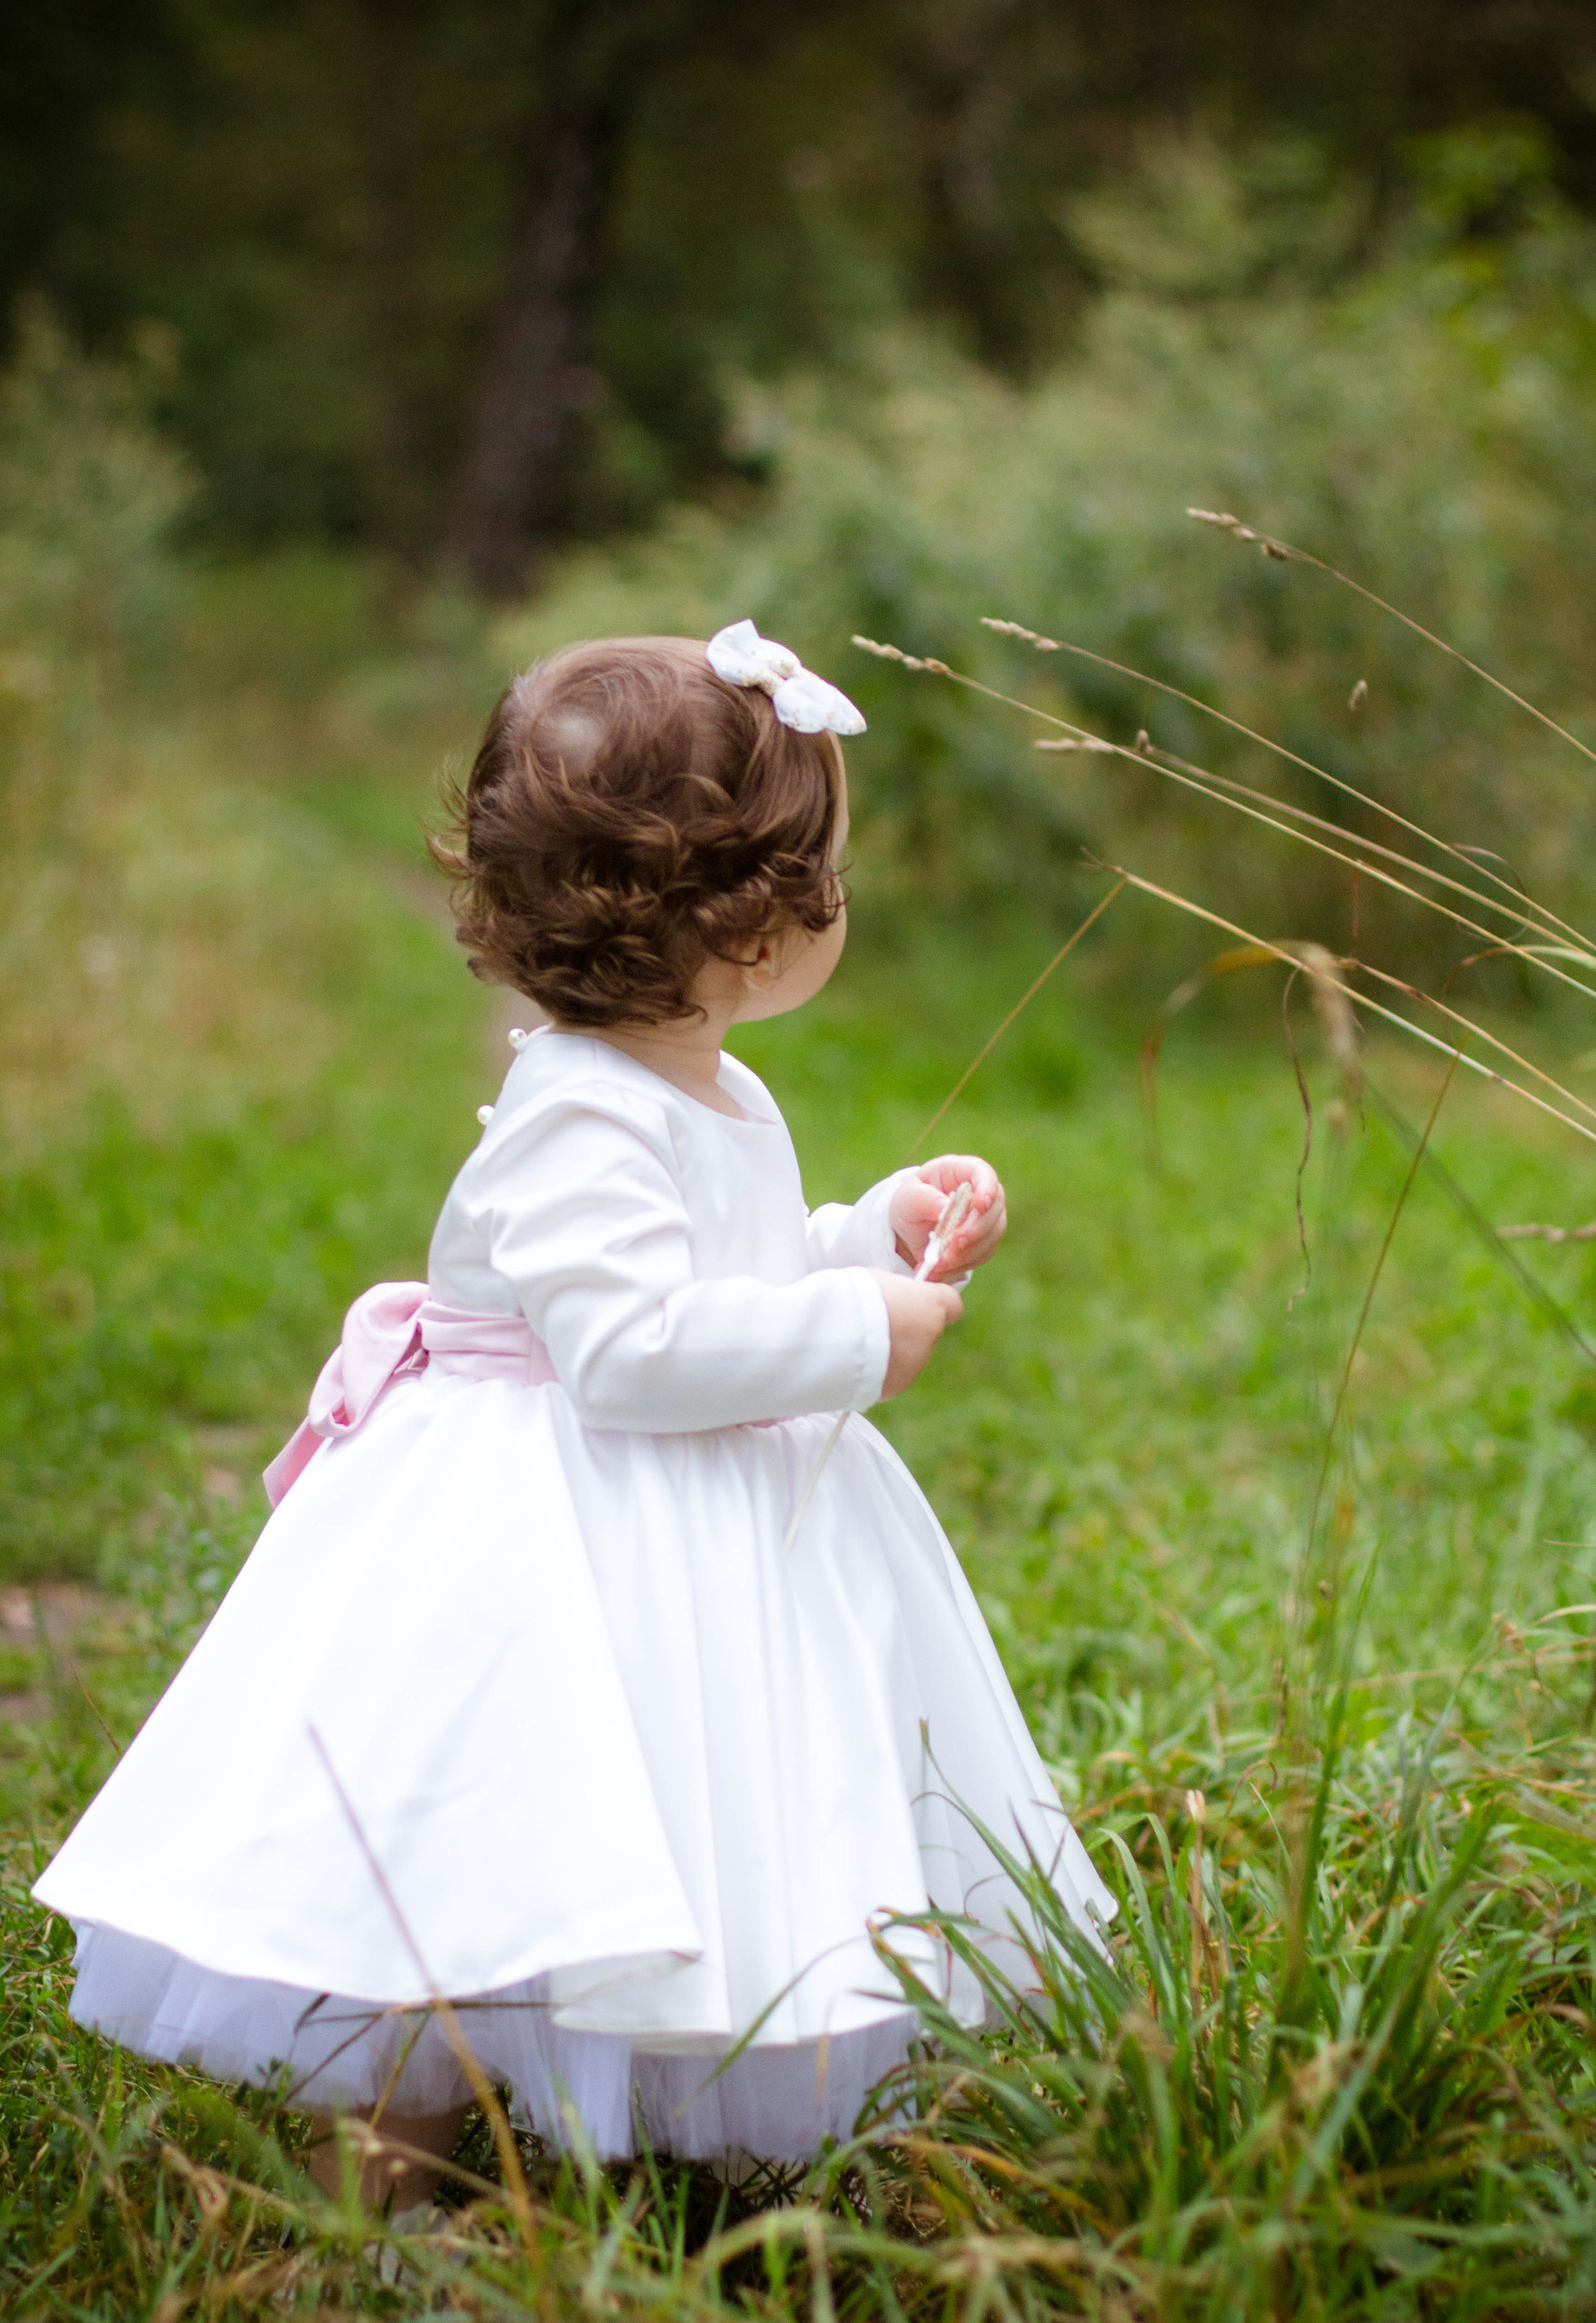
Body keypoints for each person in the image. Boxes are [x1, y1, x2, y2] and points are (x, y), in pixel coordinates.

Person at [34, 623, 1112, 2211]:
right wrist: (849, 1339)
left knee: (693, 1804)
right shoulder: (577, 1114)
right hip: (538, 1527)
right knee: (463, 1855)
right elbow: (625, 1354)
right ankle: (390, 2186)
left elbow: (714, 1275)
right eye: (824, 873)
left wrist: (861, 1238)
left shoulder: (708, 1082)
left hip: (663, 1517)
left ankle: (703, 2105)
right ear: (747, 932)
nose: (839, 901)